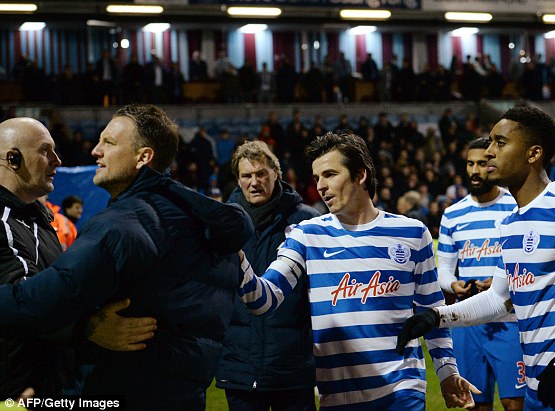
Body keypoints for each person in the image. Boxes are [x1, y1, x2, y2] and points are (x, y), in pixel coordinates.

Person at [0, 104, 254, 410]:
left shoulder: (118, 226)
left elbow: (37, 303)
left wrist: (86, 329)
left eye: (108, 142)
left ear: (143, 157)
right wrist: (88, 327)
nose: (95, 150)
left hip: (124, 392)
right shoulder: (203, 225)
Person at [397, 105, 555, 410]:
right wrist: (437, 317)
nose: (490, 153)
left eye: (500, 142)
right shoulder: (510, 223)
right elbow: (497, 299)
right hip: (540, 387)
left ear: (533, 154)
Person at [237, 132, 479, 410]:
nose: (321, 187)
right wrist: (238, 258)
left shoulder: (412, 233)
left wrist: (447, 372)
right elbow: (262, 299)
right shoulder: (306, 235)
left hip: (403, 389)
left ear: (360, 174)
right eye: (317, 178)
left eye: (330, 174)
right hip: (339, 395)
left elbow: (432, 311)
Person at [0, 117, 154, 399]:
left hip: (48, 388)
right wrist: (90, 328)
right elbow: (25, 305)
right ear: (13, 158)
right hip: (15, 395)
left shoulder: (37, 220)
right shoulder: (3, 223)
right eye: (46, 151)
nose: (57, 160)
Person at [216, 141, 320, 411]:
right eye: (246, 175)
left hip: (293, 368)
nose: (254, 182)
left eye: (261, 173)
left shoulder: (306, 222)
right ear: (238, 180)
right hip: (238, 366)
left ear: (276, 173)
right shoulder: (221, 225)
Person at [436, 137, 524, 411]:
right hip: (468, 321)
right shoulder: (453, 214)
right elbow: (444, 270)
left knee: (514, 403)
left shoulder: (515, 207)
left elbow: (525, 265)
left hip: (508, 319)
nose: (474, 171)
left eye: (482, 164)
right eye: (470, 163)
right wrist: (455, 284)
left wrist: (500, 283)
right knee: (475, 404)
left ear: (494, 165)